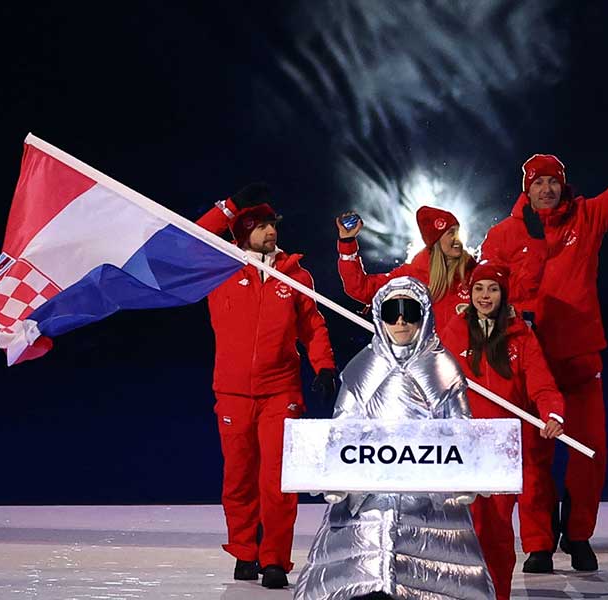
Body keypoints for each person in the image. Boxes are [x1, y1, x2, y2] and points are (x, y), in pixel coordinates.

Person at [480, 116, 608, 572]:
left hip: (579, 358)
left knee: (591, 452)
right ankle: (537, 542)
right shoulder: (506, 234)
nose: (547, 189)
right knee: (534, 456)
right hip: (529, 363)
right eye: (539, 183)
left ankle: (579, 534)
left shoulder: (587, 218)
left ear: (563, 186)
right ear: (526, 191)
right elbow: (483, 290)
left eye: (554, 181)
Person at [294, 276, 495, 600]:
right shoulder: (363, 367)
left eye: (409, 311)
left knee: (432, 580)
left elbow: (461, 429)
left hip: (429, 500)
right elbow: (343, 428)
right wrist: (335, 476)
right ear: (379, 315)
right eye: (391, 311)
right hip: (368, 499)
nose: (400, 320)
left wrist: (465, 477)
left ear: (424, 315)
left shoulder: (442, 367)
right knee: (363, 572)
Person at [196, 188, 339, 589]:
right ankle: (244, 552)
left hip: (281, 392)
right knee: (239, 478)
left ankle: (274, 559)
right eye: (259, 226)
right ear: (242, 232)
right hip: (233, 392)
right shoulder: (220, 268)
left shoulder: (294, 274)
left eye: (271, 224)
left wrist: (324, 366)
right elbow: (195, 236)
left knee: (277, 480)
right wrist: (227, 206)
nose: (269, 231)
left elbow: (313, 326)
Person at [439, 262, 565, 597]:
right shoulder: (455, 331)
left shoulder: (521, 336)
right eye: (479, 288)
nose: (485, 296)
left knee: (495, 531)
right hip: (462, 447)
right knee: (461, 531)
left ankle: (498, 594)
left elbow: (543, 385)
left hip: (503, 449)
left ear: (503, 293)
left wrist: (553, 414)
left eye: (492, 289)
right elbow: (434, 382)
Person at [336, 206, 475, 331]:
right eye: (451, 233)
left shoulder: (475, 273)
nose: (457, 239)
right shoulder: (411, 276)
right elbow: (363, 289)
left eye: (457, 232)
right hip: (431, 357)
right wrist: (347, 245)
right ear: (435, 241)